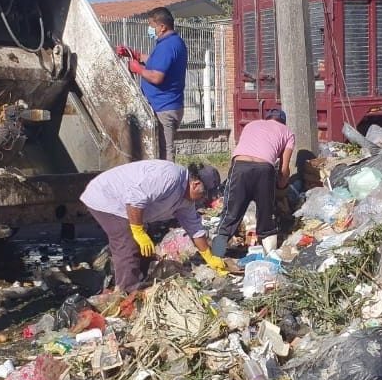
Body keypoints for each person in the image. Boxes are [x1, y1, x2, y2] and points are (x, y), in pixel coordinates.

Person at [80, 160, 227, 293]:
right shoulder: (170, 177)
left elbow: (195, 229)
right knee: (128, 241)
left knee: (145, 244)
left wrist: (209, 256)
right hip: (107, 197)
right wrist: (138, 231)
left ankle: (140, 280)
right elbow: (135, 199)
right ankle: (128, 292)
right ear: (195, 184)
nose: (204, 199)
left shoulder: (187, 201)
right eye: (204, 194)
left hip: (128, 205)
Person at [211, 109, 295, 257]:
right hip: (265, 169)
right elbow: (284, 169)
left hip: (240, 167)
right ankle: (270, 256)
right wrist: (281, 187)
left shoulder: (251, 125)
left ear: (267, 118)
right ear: (283, 121)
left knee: (230, 214)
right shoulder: (287, 132)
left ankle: (216, 254)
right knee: (266, 215)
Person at [116, 7, 188, 161]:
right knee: (160, 150)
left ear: (162, 27)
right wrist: (133, 53)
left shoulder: (168, 46)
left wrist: (138, 69)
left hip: (164, 108)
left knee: (166, 152)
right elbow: (156, 62)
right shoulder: (173, 43)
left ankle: (169, 182)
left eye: (151, 25)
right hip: (166, 106)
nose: (150, 29)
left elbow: (156, 77)